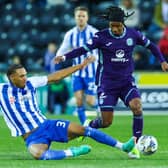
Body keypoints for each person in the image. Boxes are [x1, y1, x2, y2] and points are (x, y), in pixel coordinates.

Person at [55, 6, 168, 159]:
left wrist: (162, 61)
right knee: (106, 122)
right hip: (107, 84)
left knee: (137, 106)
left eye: (117, 26)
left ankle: (134, 145)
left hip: (127, 82)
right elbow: (82, 49)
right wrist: (64, 57)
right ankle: (90, 125)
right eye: (112, 26)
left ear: (123, 24)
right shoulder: (100, 37)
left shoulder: (133, 34)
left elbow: (152, 46)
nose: (114, 29)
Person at [0, 57, 135, 160]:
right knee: (38, 155)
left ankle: (123, 146)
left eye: (26, 74)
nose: (25, 78)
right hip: (32, 137)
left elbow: (56, 76)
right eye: (21, 76)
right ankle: (72, 152)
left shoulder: (31, 83)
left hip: (47, 125)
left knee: (84, 130)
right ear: (12, 78)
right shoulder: (2, 91)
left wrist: (80, 66)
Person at [56, 6, 99, 124]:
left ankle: (102, 111)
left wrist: (96, 57)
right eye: (78, 16)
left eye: (83, 16)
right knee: (79, 100)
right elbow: (63, 48)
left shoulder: (94, 32)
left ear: (87, 18)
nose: (80, 18)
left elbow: (101, 49)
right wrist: (58, 56)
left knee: (90, 101)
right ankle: (85, 126)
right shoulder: (70, 34)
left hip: (91, 72)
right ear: (75, 18)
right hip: (77, 73)